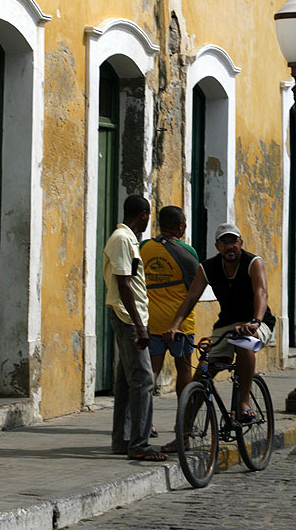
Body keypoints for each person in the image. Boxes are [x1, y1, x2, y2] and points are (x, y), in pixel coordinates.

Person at [163, 222, 275, 421]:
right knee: (201, 376)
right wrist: (174, 326)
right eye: (224, 242)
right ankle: (184, 434)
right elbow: (190, 299)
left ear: (241, 243)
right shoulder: (208, 268)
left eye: (233, 241)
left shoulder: (253, 262)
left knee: (244, 343)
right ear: (217, 246)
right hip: (226, 325)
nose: (229, 246)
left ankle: (243, 403)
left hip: (257, 322)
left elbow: (261, 292)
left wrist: (255, 321)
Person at [103, 194, 167, 462]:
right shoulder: (121, 240)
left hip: (133, 316)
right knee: (142, 380)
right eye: (148, 214)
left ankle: (123, 439)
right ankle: (139, 444)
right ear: (143, 214)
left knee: (126, 381)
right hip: (128, 317)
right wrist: (141, 327)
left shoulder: (129, 240)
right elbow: (124, 285)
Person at [140, 206, 199, 450]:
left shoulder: (144, 248)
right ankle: (183, 422)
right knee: (184, 370)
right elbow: (196, 286)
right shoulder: (187, 251)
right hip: (180, 323)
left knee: (150, 373)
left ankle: (146, 423)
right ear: (181, 226)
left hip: (152, 320)